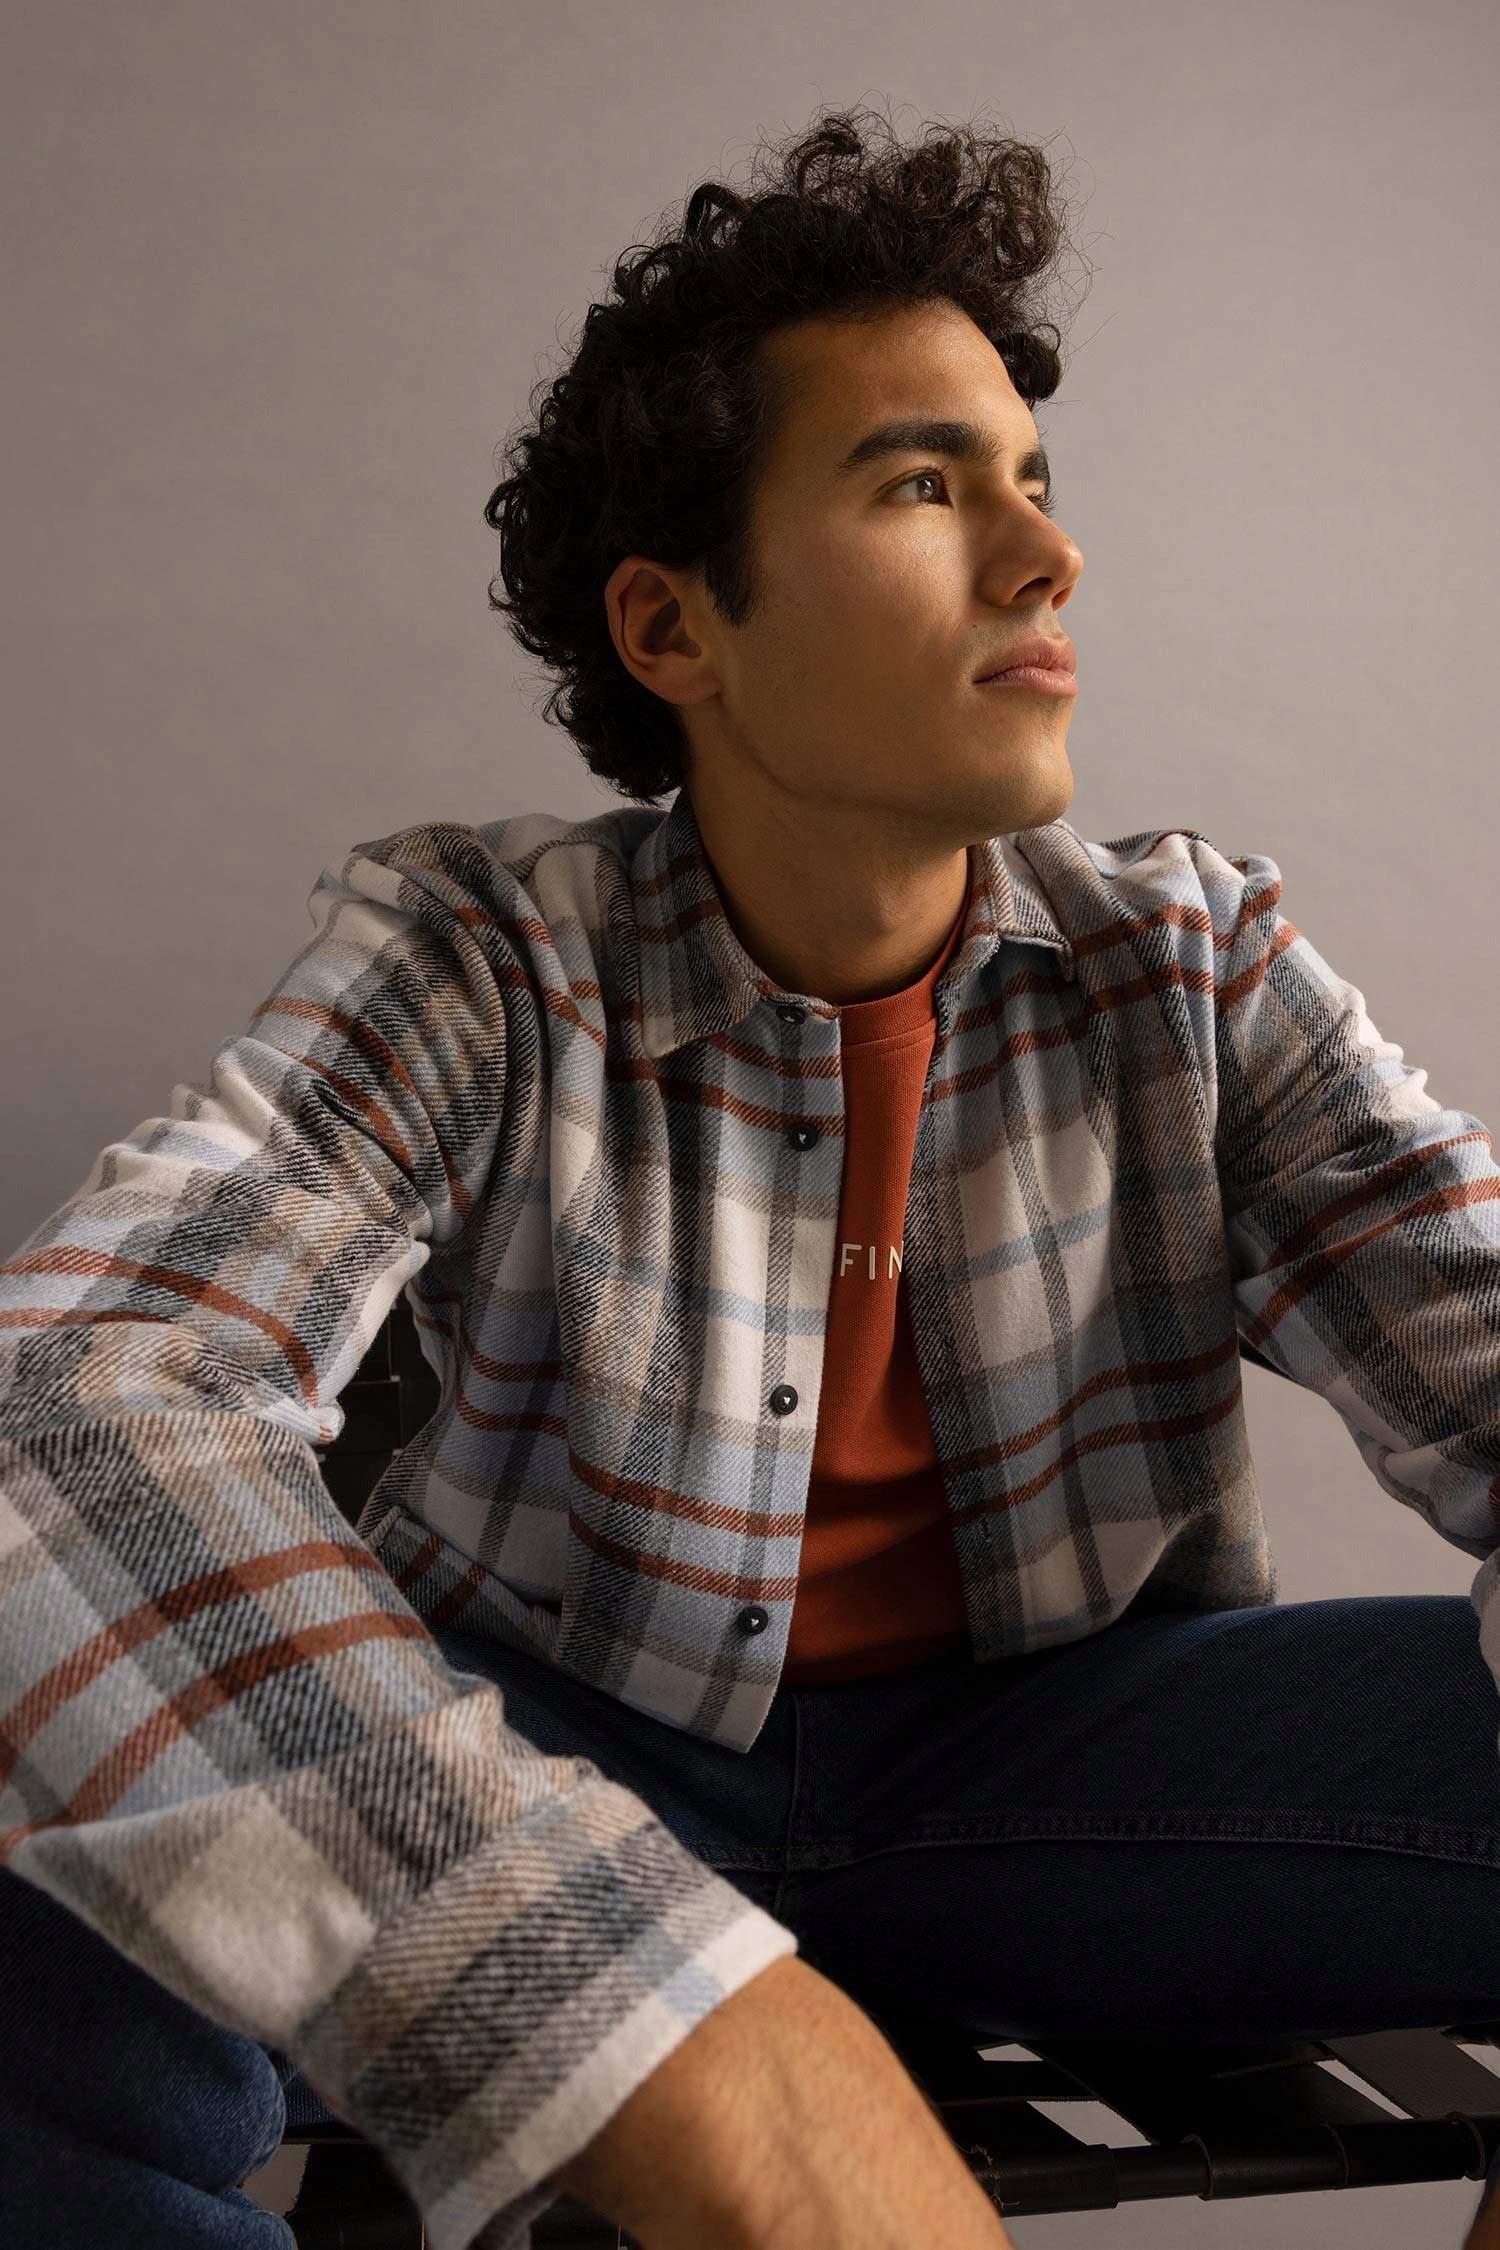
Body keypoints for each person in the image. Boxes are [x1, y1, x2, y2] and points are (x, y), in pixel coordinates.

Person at [5, 98, 1500, 2250]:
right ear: (673, 627)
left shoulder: (1190, 966)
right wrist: (627, 2006)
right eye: (923, 483)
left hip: (1047, 1796)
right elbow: (76, 1393)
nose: (1045, 555)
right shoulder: (482, 954)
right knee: (54, 1823)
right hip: (542, 1752)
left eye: (1036, 479)